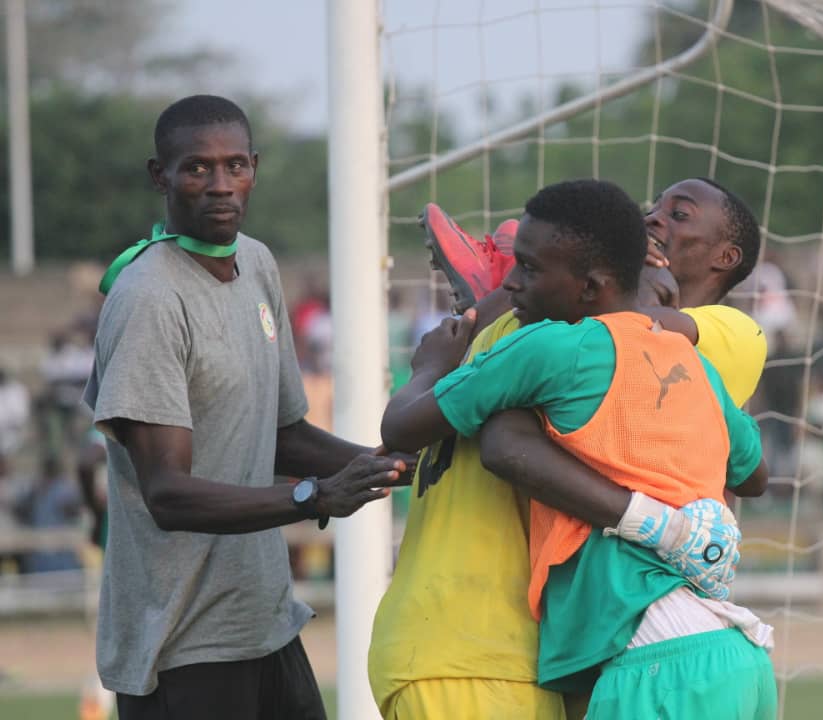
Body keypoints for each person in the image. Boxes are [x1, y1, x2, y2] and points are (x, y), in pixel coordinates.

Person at [369, 178, 772, 719]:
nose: (655, 219)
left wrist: (452, 345)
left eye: (679, 214)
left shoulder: (723, 335)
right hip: (724, 647)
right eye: (650, 210)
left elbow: (495, 442)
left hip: (644, 655)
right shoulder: (689, 364)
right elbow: (754, 471)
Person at [83, 95, 409, 720]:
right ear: (161, 176)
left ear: (255, 168)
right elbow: (167, 494)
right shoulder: (150, 298)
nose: (220, 185)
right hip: (183, 645)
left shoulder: (256, 263)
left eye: (235, 166)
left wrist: (390, 464)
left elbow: (281, 433)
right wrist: (312, 497)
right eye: (197, 168)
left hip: (263, 623)